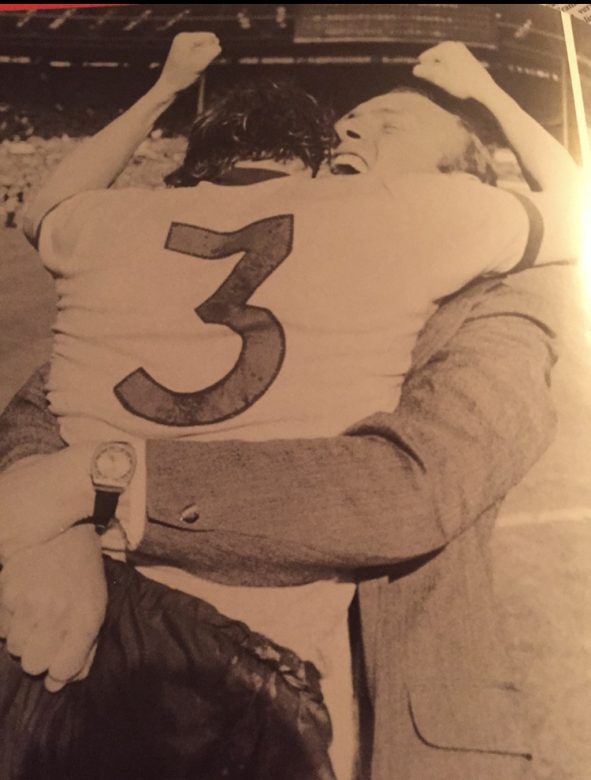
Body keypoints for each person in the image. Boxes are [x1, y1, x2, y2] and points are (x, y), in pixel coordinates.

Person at [0, 37, 580, 779]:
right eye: (348, 124)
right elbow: (44, 401)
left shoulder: (500, 303)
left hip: (364, 720)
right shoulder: (355, 228)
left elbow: (410, 490)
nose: (352, 132)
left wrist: (96, 486)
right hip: (136, 673)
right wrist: (62, 538)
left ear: (467, 177)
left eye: (391, 126)